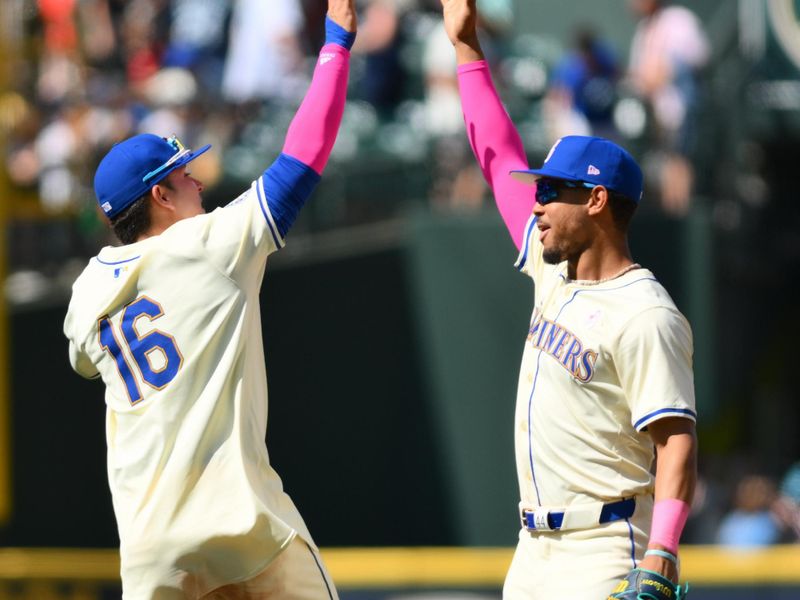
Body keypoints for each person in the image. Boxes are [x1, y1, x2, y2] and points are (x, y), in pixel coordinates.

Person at [62, 1, 356, 598]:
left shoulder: (85, 294)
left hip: (149, 549)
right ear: (161, 197)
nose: (198, 180)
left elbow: (83, 360)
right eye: (184, 175)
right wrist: (336, 45)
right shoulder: (205, 246)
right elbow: (303, 159)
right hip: (240, 528)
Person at [440, 0, 698, 597]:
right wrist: (467, 48)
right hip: (531, 552)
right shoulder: (554, 269)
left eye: (554, 191)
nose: (537, 203)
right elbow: (499, 156)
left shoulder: (647, 312)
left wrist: (661, 555)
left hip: (605, 549)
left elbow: (677, 442)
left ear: (598, 201)